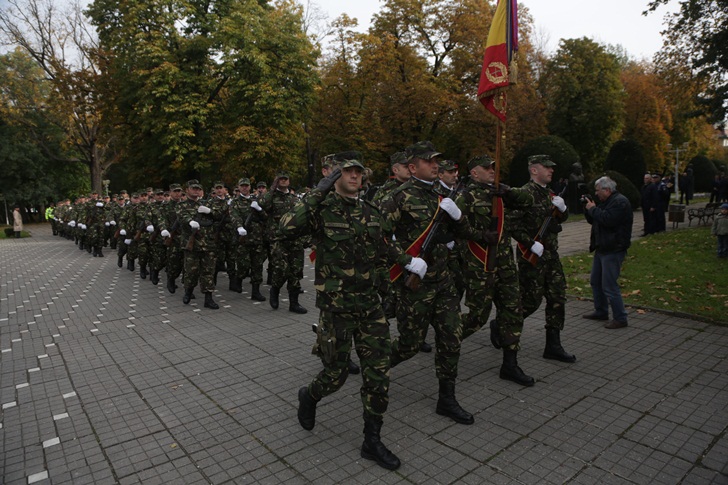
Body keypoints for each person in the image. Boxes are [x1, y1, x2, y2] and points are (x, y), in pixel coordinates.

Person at [282, 154, 400, 471]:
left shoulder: (371, 211)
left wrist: (389, 290)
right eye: (347, 171)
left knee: (379, 373)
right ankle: (309, 396)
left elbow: (381, 253)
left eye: (358, 172)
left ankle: (372, 440)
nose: (354, 176)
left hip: (370, 306)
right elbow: (287, 227)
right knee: (335, 375)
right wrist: (317, 192)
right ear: (335, 177)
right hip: (337, 307)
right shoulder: (321, 209)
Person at [381, 141, 476, 425]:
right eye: (429, 161)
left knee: (451, 338)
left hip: (443, 282)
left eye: (436, 160)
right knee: (409, 345)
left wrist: (458, 216)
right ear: (412, 167)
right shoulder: (398, 197)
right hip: (416, 285)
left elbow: (465, 231)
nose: (435, 165)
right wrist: (405, 261)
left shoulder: (442, 195)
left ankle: (447, 398)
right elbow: (378, 236)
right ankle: (377, 365)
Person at [455, 155, 536, 386]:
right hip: (480, 267)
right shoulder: (465, 197)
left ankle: (510, 365)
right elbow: (455, 228)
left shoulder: (501, 193)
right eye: (486, 168)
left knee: (513, 311)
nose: (492, 170)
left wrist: (508, 192)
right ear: (474, 173)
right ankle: (447, 340)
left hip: (505, 266)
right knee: (477, 316)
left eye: (493, 167)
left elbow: (528, 200)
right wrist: (480, 235)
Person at [509, 155, 575, 363]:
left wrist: (563, 209)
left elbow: (560, 218)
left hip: (551, 254)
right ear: (534, 170)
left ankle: (553, 345)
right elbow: (512, 224)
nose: (551, 170)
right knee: (531, 300)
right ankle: (503, 326)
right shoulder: (524, 194)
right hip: (532, 256)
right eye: (547, 167)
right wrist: (530, 244)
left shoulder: (550, 193)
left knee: (557, 297)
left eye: (551, 167)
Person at [583, 176, 633, 329]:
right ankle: (601, 311)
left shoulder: (620, 202)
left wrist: (593, 209)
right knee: (596, 281)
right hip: (602, 248)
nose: (596, 193)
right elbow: (595, 220)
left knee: (609, 285)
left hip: (613, 249)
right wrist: (588, 208)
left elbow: (608, 220)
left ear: (607, 190)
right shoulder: (607, 202)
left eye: (598, 190)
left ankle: (620, 318)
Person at [260, 171, 307, 314]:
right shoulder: (271, 197)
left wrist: (306, 238)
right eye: (280, 179)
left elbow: (302, 218)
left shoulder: (294, 198)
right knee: (281, 269)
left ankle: (294, 303)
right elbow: (262, 204)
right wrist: (272, 188)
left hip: (295, 239)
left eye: (285, 179)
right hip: (278, 239)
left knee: (296, 271)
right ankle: (275, 289)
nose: (283, 181)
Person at [176, 179, 227, 309]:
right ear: (187, 190)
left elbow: (220, 215)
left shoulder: (207, 203)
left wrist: (210, 211)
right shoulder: (182, 205)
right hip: (192, 244)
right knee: (191, 271)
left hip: (208, 243)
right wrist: (190, 221)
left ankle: (208, 298)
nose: (196, 191)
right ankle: (188, 291)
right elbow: (182, 217)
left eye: (198, 189)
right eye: (193, 188)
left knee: (208, 271)